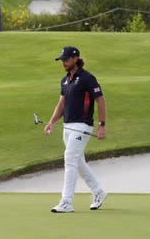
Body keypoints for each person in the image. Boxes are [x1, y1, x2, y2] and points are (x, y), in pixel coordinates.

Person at [43, 45, 108, 213]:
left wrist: (102, 125)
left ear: (75, 59)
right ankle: (98, 191)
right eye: (62, 60)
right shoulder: (65, 80)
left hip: (82, 125)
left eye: (65, 59)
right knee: (78, 162)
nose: (63, 62)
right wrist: (51, 122)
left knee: (70, 159)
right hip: (67, 125)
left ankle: (66, 201)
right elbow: (61, 104)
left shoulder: (87, 78)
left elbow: (100, 100)